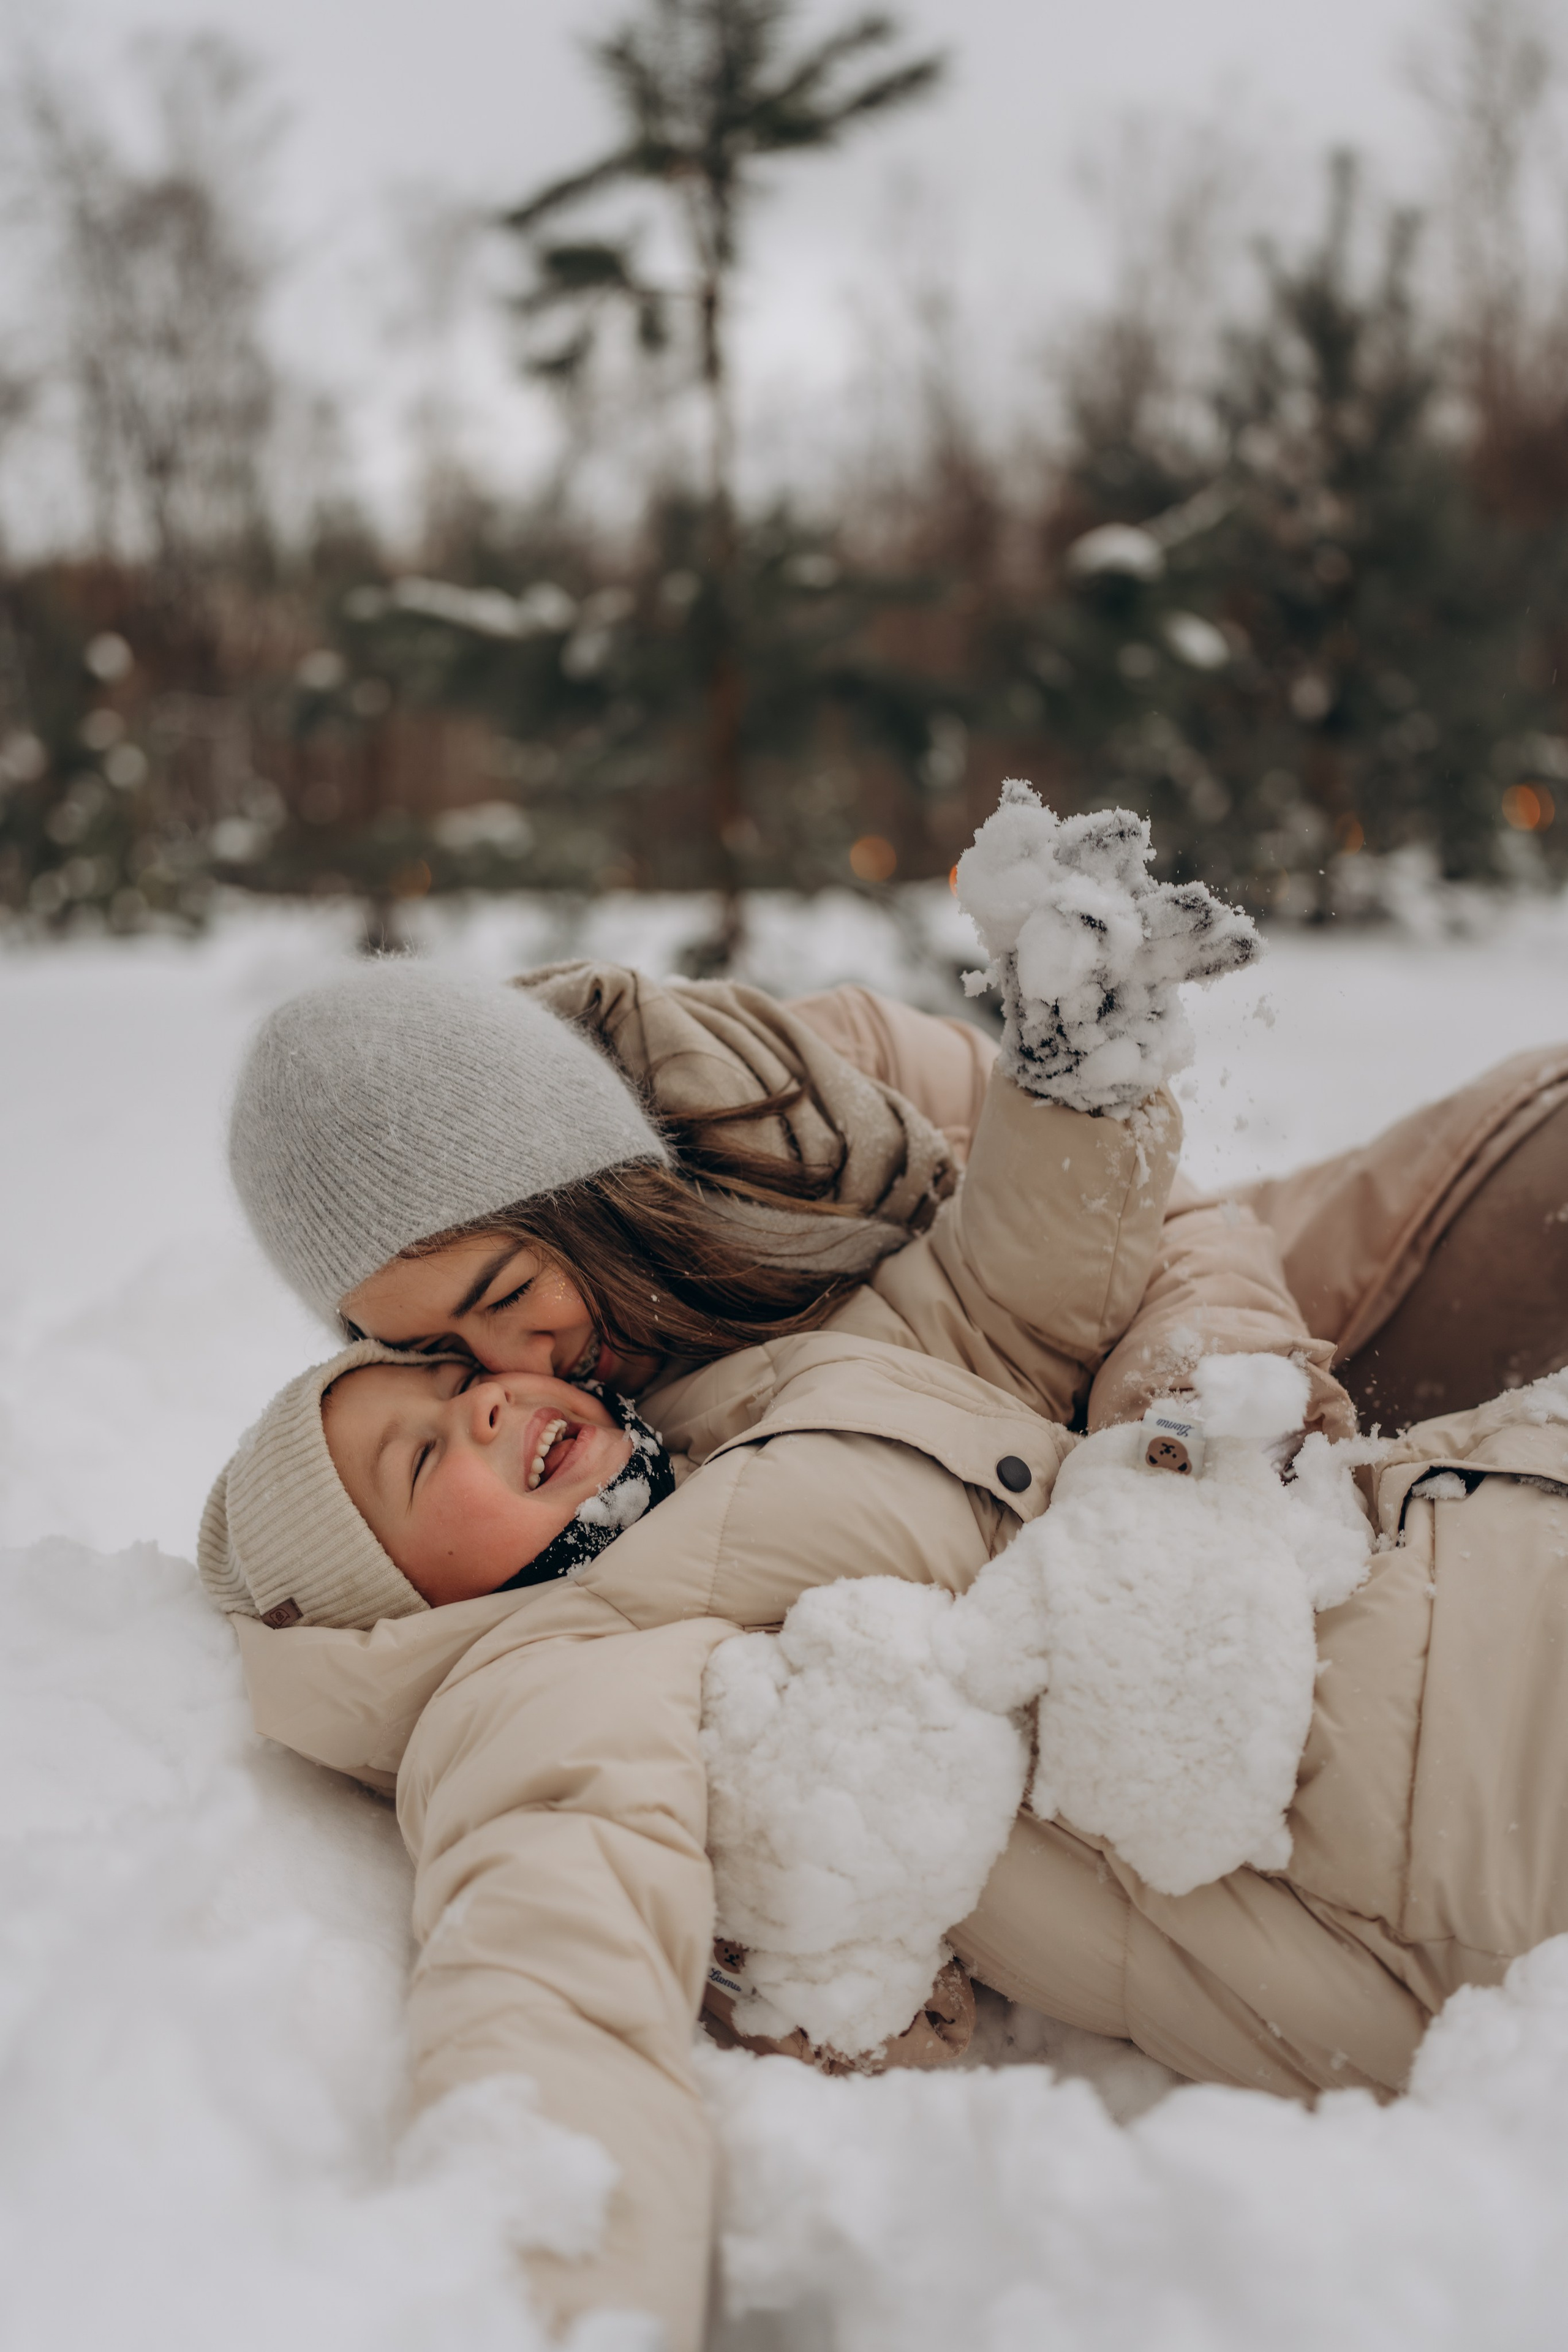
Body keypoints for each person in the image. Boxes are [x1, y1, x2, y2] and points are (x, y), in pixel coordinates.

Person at [211, 796, 1568, 2348]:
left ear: (576, 1185)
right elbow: (554, 1973)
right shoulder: (564, 1655)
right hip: (1434, 1801)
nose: (509, 1374)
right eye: (431, 1368)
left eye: (509, 1299)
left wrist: (1101, 1164)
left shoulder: (798, 1141)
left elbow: (1037, 1272)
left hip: (1305, 1408)